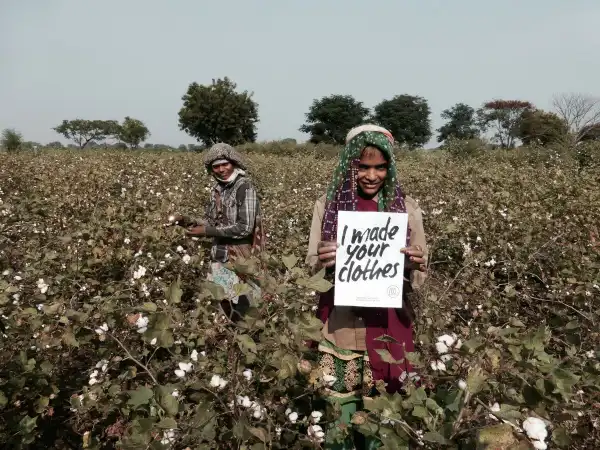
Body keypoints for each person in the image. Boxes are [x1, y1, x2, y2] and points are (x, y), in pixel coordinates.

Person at [306, 125, 428, 449]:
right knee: (340, 413)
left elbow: (420, 273)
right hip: (341, 325)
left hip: (388, 324)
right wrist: (323, 258)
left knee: (383, 415)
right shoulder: (327, 206)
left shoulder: (407, 207)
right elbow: (310, 267)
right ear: (350, 164)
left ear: (390, 167)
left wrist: (414, 262)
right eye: (363, 166)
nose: (371, 175)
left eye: (380, 167)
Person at [172, 143, 265, 320]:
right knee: (227, 304)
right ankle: (233, 342)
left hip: (242, 258)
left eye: (225, 164)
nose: (221, 169)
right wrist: (186, 221)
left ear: (233, 163)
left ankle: (252, 343)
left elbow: (245, 228)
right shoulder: (217, 190)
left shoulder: (245, 188)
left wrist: (207, 231)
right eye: (216, 166)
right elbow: (212, 222)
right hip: (220, 256)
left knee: (247, 307)